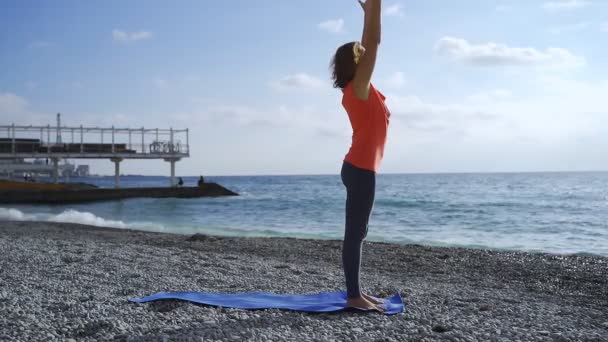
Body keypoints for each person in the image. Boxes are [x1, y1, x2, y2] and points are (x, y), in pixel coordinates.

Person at [330, 0, 388, 312]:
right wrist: (374, 9)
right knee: (355, 235)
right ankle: (354, 296)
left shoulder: (362, 88)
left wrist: (369, 14)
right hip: (360, 169)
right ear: (355, 64)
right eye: (360, 53)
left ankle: (356, 292)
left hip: (360, 168)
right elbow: (373, 42)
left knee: (359, 233)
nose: (365, 52)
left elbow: (368, 44)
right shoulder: (358, 88)